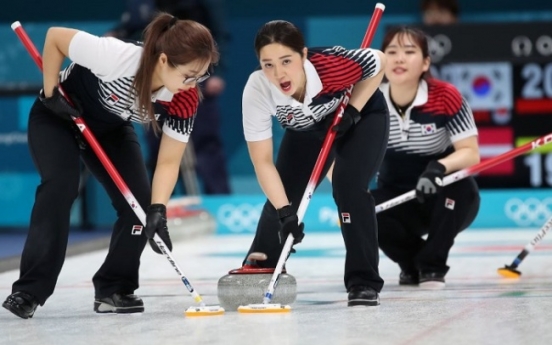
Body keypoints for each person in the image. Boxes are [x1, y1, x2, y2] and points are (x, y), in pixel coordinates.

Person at [2, 13, 219, 319]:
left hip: (110, 129)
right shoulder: (119, 56)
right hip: (59, 116)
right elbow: (55, 36)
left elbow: (169, 161)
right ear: (163, 61)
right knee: (60, 187)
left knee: (140, 208)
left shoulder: (184, 100)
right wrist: (51, 93)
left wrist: (158, 209)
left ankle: (114, 288)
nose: (192, 85)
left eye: (202, 75)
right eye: (188, 75)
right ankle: (29, 290)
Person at [233, 20, 389, 307]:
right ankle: (262, 266)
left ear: (303, 55)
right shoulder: (257, 90)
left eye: (286, 61)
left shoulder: (333, 66)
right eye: (267, 65)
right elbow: (262, 161)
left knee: (349, 188)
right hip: (308, 127)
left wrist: (353, 111)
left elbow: (379, 61)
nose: (278, 73)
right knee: (283, 195)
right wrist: (285, 215)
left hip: (361, 118)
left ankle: (363, 280)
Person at [372, 26, 480, 288]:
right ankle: (412, 264)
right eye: (392, 52)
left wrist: (438, 168)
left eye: (409, 52)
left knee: (459, 188)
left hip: (443, 195)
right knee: (365, 211)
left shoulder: (446, 97)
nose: (399, 59)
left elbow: (471, 153)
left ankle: (432, 266)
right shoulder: (368, 102)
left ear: (425, 63)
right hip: (397, 197)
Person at [108, 0, 232, 194]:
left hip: (197, 78)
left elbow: (217, 34)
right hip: (157, 80)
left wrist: (216, 73)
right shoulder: (140, 4)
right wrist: (114, 37)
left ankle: (218, 201)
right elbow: (131, 28)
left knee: (206, 143)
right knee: (158, 145)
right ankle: (162, 205)